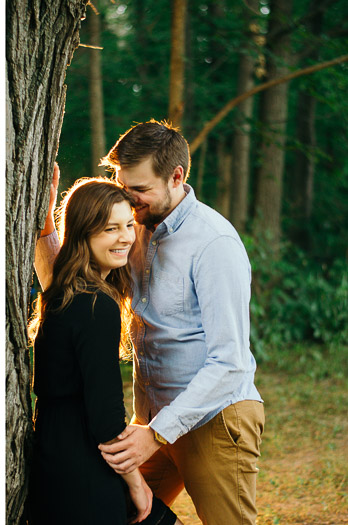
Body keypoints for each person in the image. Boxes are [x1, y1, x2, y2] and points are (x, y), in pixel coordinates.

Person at [35, 121, 265, 525]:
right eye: (123, 186)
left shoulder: (214, 244)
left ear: (176, 177)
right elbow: (73, 287)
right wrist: (46, 229)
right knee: (127, 514)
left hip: (213, 419)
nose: (129, 199)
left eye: (139, 189)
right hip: (153, 420)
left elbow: (230, 362)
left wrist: (156, 433)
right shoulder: (132, 229)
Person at [28, 178, 180, 525]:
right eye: (110, 228)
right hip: (86, 470)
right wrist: (137, 484)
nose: (125, 237)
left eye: (128, 224)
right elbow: (106, 415)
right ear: (84, 234)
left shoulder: (65, 291)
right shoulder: (96, 305)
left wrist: (47, 224)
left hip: (59, 456)